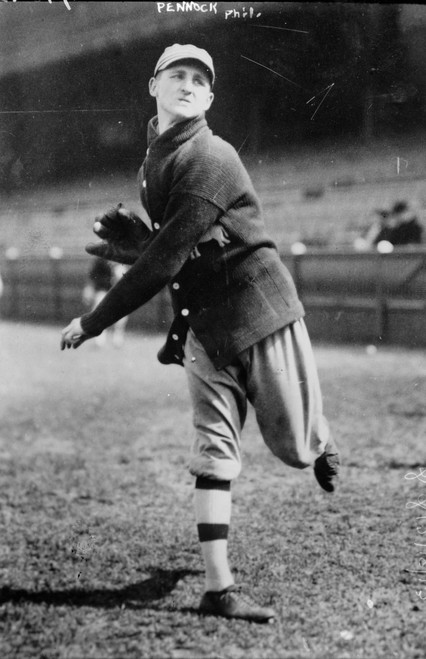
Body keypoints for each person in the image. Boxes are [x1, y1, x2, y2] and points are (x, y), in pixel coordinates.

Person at [61, 44, 340, 623]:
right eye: (177, 75)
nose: (188, 84)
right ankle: (218, 588)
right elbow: (179, 251)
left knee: (293, 446)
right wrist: (149, 244)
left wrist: (93, 320)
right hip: (204, 323)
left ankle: (320, 436)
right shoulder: (153, 159)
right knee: (213, 452)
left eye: (199, 80)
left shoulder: (211, 155)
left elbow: (165, 263)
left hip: (259, 309)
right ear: (153, 86)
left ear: (210, 98)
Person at [82, 257, 129, 347]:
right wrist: (89, 288)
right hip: (103, 290)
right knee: (99, 312)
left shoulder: (121, 258)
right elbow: (92, 275)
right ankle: (99, 339)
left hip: (117, 291)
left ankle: (117, 338)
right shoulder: (100, 259)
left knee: (121, 315)